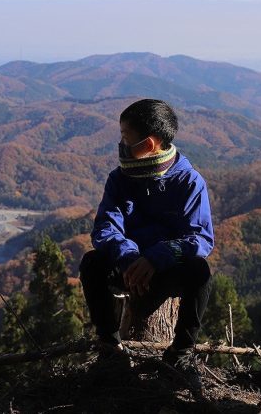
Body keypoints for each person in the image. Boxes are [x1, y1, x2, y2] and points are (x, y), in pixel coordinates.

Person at [79, 98, 214, 385]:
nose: (121, 143)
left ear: (150, 144)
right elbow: (105, 228)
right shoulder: (119, 179)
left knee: (200, 272)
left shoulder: (189, 182)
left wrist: (156, 257)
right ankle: (110, 347)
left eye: (125, 136)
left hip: (166, 269)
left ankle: (181, 351)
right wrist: (130, 258)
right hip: (126, 267)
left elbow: (200, 238)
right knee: (92, 263)